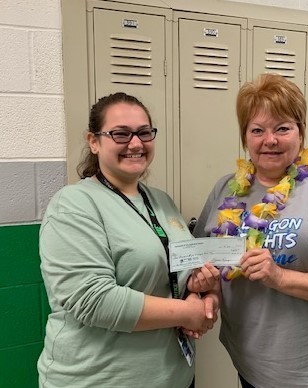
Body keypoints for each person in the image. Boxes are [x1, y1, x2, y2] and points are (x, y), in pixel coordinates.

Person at [193, 73, 308, 388]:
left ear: (300, 132)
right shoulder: (226, 189)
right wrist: (207, 286)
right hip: (248, 358)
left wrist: (277, 277)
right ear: (245, 137)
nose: (270, 140)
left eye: (282, 128)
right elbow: (210, 263)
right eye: (257, 130)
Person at [37, 92, 219, 388]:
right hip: (100, 379)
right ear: (93, 141)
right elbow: (94, 300)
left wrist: (203, 292)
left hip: (174, 376)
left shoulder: (161, 202)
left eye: (144, 133)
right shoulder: (73, 204)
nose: (136, 143)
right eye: (120, 134)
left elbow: (176, 273)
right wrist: (188, 313)